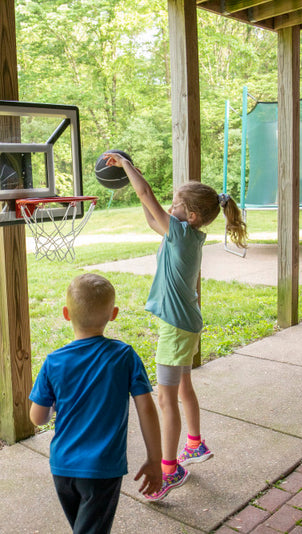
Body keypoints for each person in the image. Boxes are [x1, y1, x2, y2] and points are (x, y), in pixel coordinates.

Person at [102, 151, 248, 501]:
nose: (170, 207)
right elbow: (153, 218)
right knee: (183, 388)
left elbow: (146, 196)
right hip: (187, 324)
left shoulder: (182, 235)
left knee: (166, 399)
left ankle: (170, 469)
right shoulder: (186, 234)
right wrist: (136, 186)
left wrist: (127, 166)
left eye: (176, 204)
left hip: (175, 328)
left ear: (191, 215)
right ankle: (194, 444)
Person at [29, 273, 163, 533]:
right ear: (113, 314)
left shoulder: (54, 361)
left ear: (66, 314)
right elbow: (146, 408)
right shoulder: (125, 356)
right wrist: (154, 459)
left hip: (63, 467)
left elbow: (38, 417)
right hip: (102, 470)